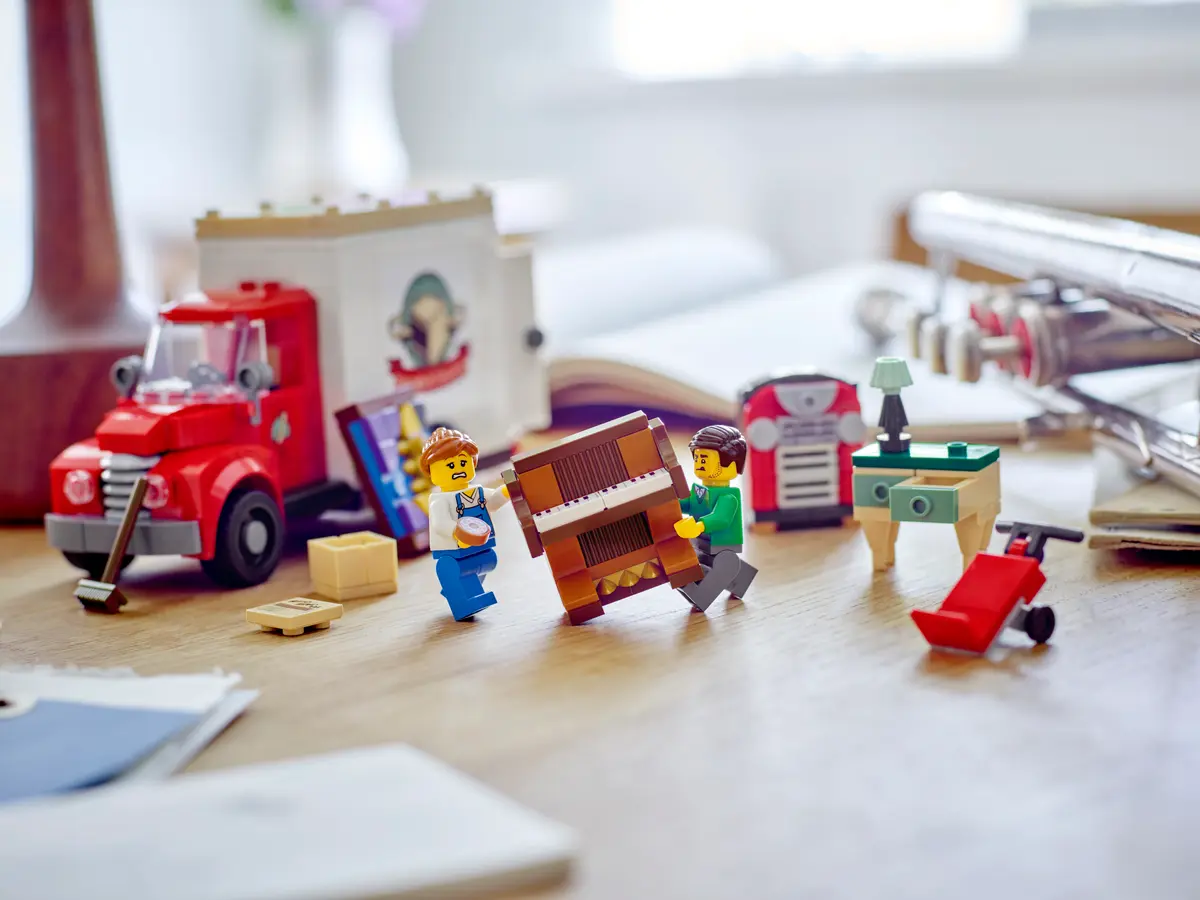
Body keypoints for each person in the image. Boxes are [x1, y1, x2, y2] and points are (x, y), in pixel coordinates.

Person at [419, 427, 510, 621]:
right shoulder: (440, 500)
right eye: (450, 465)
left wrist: (506, 490)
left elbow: (493, 502)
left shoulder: (476, 491)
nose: (458, 469)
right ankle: (462, 600)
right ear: (431, 471)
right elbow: (440, 523)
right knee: (455, 570)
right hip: (453, 549)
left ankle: (458, 591)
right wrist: (457, 531)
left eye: (463, 462)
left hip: (481, 544)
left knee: (487, 562)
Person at [674, 424, 758, 611]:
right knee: (707, 563)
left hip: (722, 544)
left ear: (731, 463)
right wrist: (671, 504)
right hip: (702, 542)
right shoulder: (700, 490)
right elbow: (688, 504)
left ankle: (701, 596)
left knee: (723, 565)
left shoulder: (728, 497)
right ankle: (741, 581)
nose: (699, 463)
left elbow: (721, 518)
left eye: (704, 459)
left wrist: (699, 526)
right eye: (697, 458)